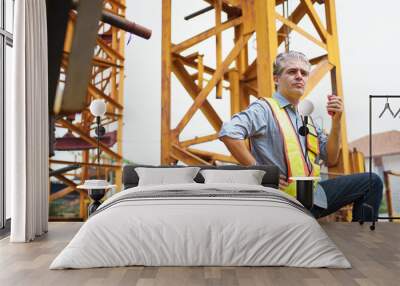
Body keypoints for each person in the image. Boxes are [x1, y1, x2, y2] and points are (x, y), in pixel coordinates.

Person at [219, 51, 383, 221]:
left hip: (312, 198)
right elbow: (228, 133)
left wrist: (336, 122)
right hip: (281, 202)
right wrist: (259, 171)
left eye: (303, 73)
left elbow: (332, 157)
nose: (299, 77)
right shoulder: (265, 109)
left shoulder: (307, 120)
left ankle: (363, 242)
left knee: (372, 182)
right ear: (276, 79)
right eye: (292, 72)